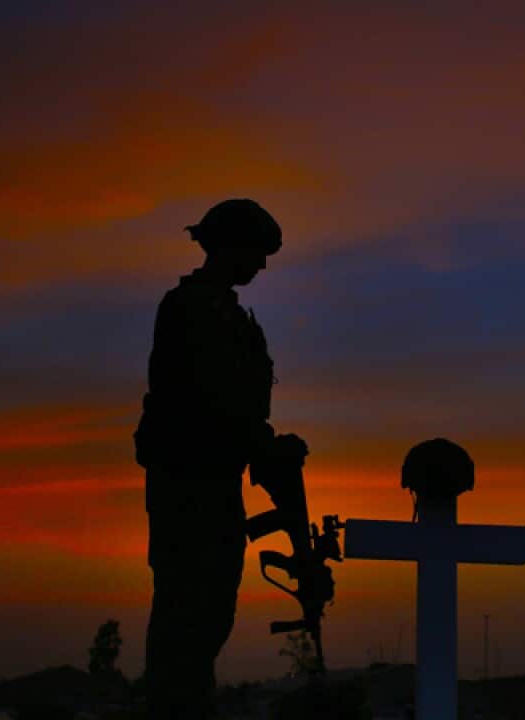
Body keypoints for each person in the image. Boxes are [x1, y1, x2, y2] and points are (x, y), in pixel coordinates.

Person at [134, 198, 296, 718]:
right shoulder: (189, 308)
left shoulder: (233, 317)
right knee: (188, 613)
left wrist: (269, 447)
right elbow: (208, 399)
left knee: (211, 615)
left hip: (217, 480)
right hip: (188, 483)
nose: (263, 265)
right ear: (226, 247)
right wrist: (263, 445)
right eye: (256, 252)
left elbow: (240, 408)